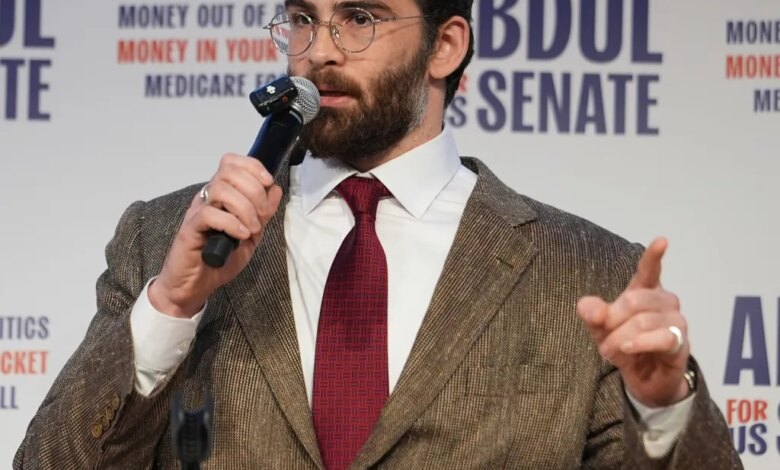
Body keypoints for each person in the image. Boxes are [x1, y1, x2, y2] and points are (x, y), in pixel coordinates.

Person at [15, 0, 741, 468]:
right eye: (302, 17)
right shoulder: (163, 241)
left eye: (359, 17)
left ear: (445, 45)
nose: (319, 50)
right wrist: (170, 306)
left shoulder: (586, 271)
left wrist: (664, 407)